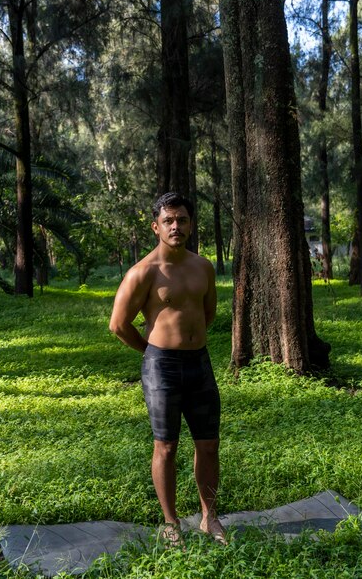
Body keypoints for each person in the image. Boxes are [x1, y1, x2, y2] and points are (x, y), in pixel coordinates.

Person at [109, 192, 225, 545]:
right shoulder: (143, 272)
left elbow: (207, 313)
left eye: (183, 220)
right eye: (169, 220)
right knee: (167, 446)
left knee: (208, 444)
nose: (177, 226)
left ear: (191, 224)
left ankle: (209, 517)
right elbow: (118, 324)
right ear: (156, 226)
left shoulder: (202, 266)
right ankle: (171, 523)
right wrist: (152, 353)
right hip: (162, 367)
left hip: (200, 363)